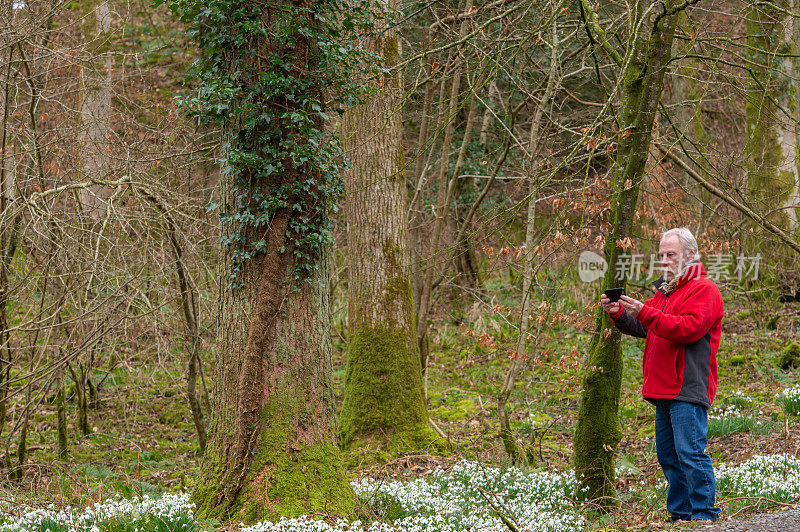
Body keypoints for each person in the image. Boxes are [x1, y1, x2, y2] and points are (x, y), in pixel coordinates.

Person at [600, 227, 723, 523]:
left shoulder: (705, 289)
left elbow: (687, 329)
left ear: (690, 255)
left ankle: (705, 517)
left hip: (688, 387)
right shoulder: (665, 291)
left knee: (690, 455)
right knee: (669, 458)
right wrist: (619, 313)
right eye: (662, 255)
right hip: (662, 388)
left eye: (671, 255)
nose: (665, 261)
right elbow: (646, 327)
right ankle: (679, 517)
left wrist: (645, 312)